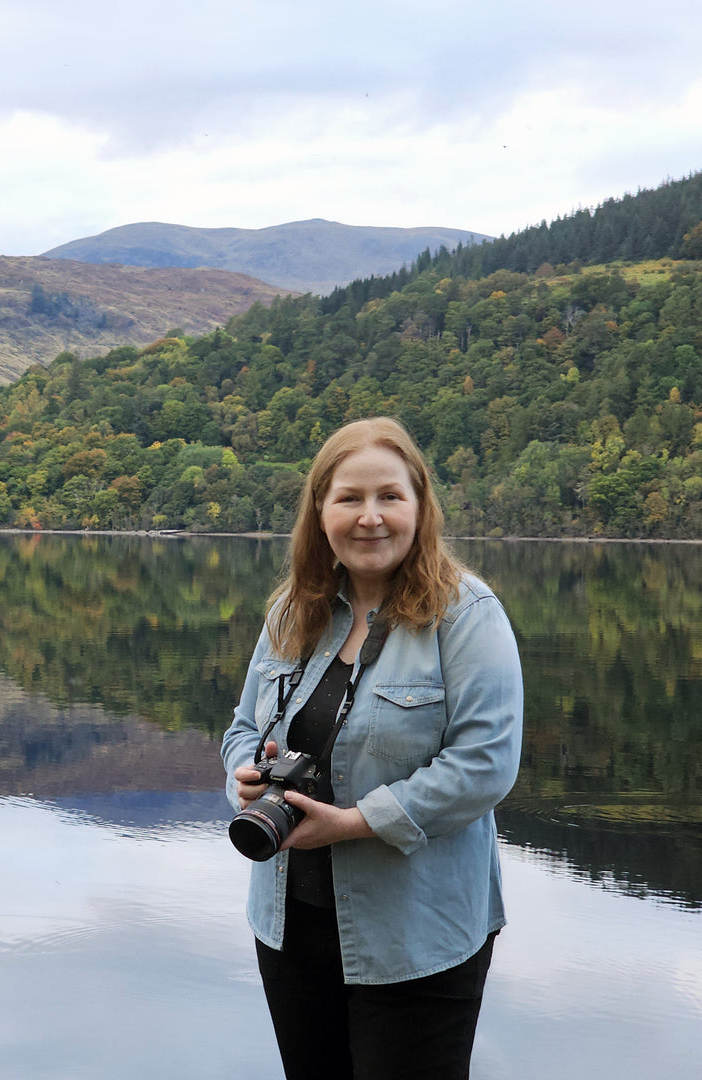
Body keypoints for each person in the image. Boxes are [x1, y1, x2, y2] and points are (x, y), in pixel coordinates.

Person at [221, 417, 523, 1080]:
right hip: (289, 925)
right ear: (320, 512)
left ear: (419, 506)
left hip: (416, 932)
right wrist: (243, 778)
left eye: (389, 496)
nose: (370, 517)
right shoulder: (292, 609)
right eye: (349, 498)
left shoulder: (466, 615)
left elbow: (485, 765)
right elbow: (242, 728)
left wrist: (356, 824)